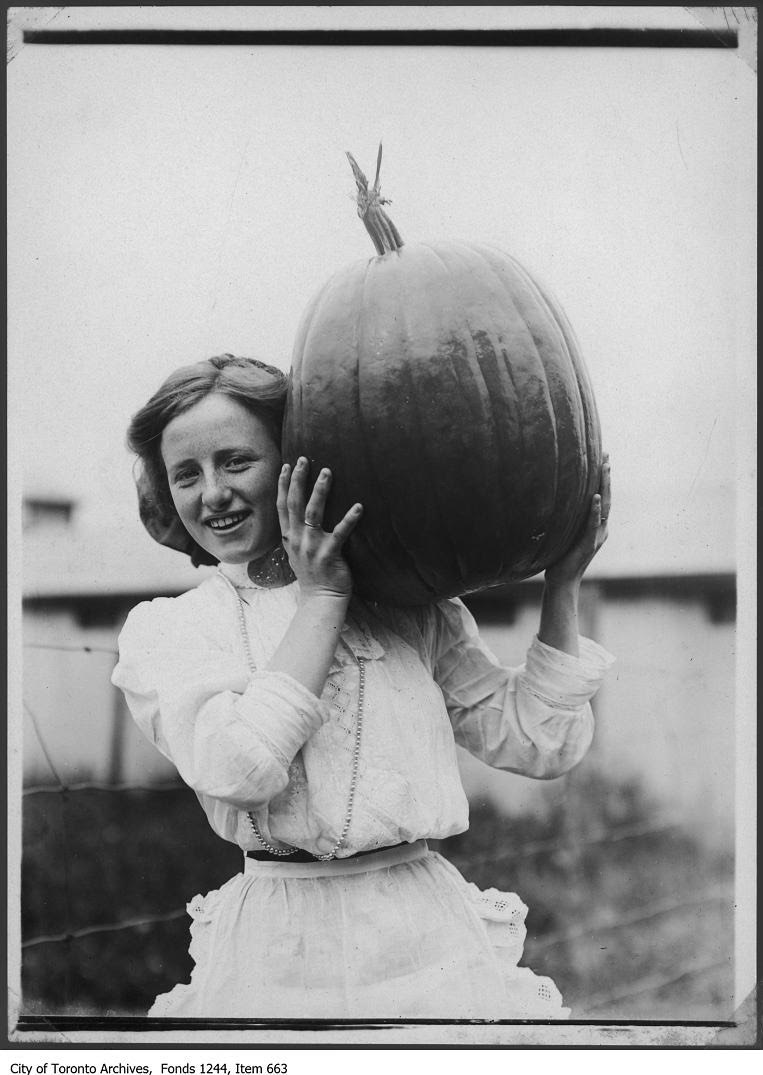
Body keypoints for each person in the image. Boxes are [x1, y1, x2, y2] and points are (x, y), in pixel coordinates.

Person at [112, 353, 614, 1020]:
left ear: (296, 460)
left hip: (425, 938)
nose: (212, 494)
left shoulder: (405, 604)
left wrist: (563, 583)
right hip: (280, 952)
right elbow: (239, 766)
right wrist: (321, 597)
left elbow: (536, 740)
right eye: (186, 475)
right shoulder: (170, 628)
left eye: (236, 461)